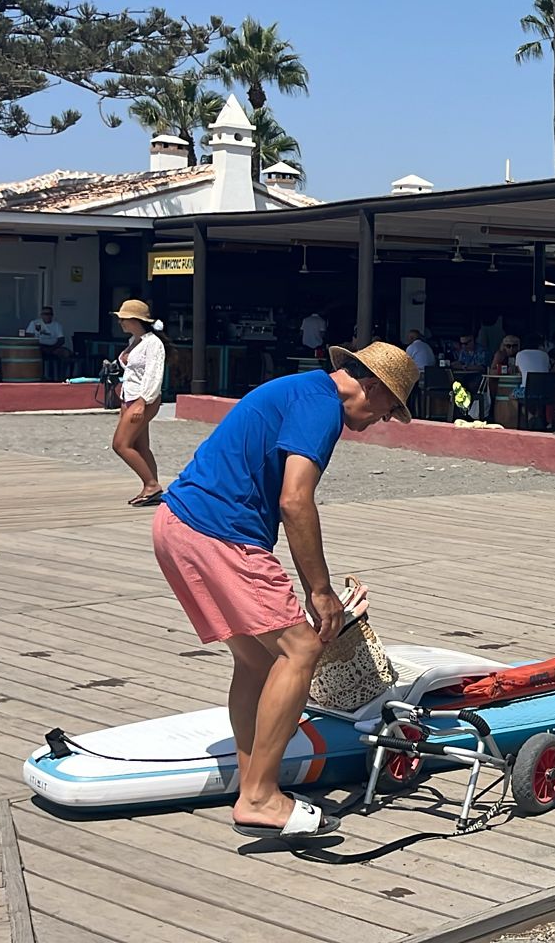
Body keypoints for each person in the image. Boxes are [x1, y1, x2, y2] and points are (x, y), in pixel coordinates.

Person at [155, 341, 414, 838]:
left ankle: (253, 779)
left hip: (176, 524)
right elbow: (295, 501)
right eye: (389, 408)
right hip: (218, 532)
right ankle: (259, 797)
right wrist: (321, 592)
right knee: (300, 650)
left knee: (255, 660)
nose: (383, 419)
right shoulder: (322, 408)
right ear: (373, 386)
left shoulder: (302, 390)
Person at [112, 301, 169, 506]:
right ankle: (153, 490)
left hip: (142, 399)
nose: (120, 322)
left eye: (124, 318)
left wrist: (142, 402)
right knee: (140, 445)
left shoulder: (153, 343)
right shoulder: (135, 340)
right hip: (130, 397)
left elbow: (154, 375)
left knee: (120, 444)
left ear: (137, 320)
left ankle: (151, 484)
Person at [23, 306, 70, 381]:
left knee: (66, 353)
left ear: (52, 315)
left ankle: (61, 377)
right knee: (34, 352)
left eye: (49, 314)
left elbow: (61, 339)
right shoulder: (34, 323)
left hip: (53, 347)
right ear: (41, 315)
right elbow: (28, 336)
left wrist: (52, 348)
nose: (47, 316)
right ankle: (37, 376)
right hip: (39, 347)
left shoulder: (57, 325)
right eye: (45, 314)